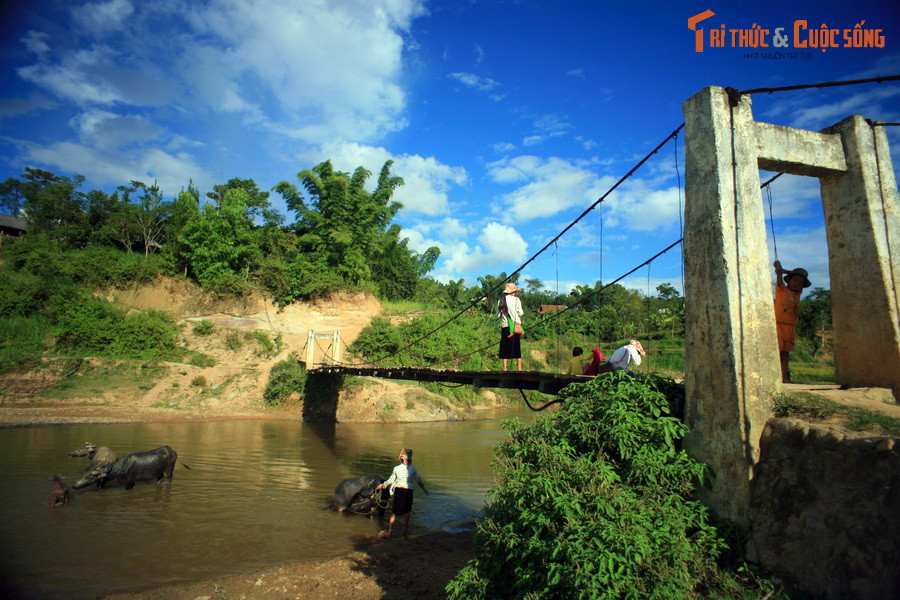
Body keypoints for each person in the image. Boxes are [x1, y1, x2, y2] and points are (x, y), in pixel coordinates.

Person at [375, 448, 428, 538]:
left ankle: (390, 531)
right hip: (409, 491)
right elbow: (418, 480)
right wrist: (424, 488)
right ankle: (405, 529)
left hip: (399, 490)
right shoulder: (413, 469)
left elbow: (391, 480)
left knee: (394, 512)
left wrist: (383, 485)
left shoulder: (397, 468)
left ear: (402, 458)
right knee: (407, 511)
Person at [773, 260, 811, 383]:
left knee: (785, 353)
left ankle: (783, 377)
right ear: (788, 280)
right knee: (777, 351)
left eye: (800, 283)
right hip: (778, 324)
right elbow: (779, 276)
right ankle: (775, 376)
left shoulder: (798, 293)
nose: (797, 284)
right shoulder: (781, 289)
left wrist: (785, 271)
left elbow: (799, 279)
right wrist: (780, 271)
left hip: (791, 327)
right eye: (794, 280)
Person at [497, 282, 524, 371]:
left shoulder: (500, 301)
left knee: (505, 346)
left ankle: (505, 368)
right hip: (515, 327)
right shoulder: (516, 300)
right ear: (513, 292)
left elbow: (498, 315)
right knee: (516, 346)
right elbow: (521, 313)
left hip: (505, 326)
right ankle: (519, 368)